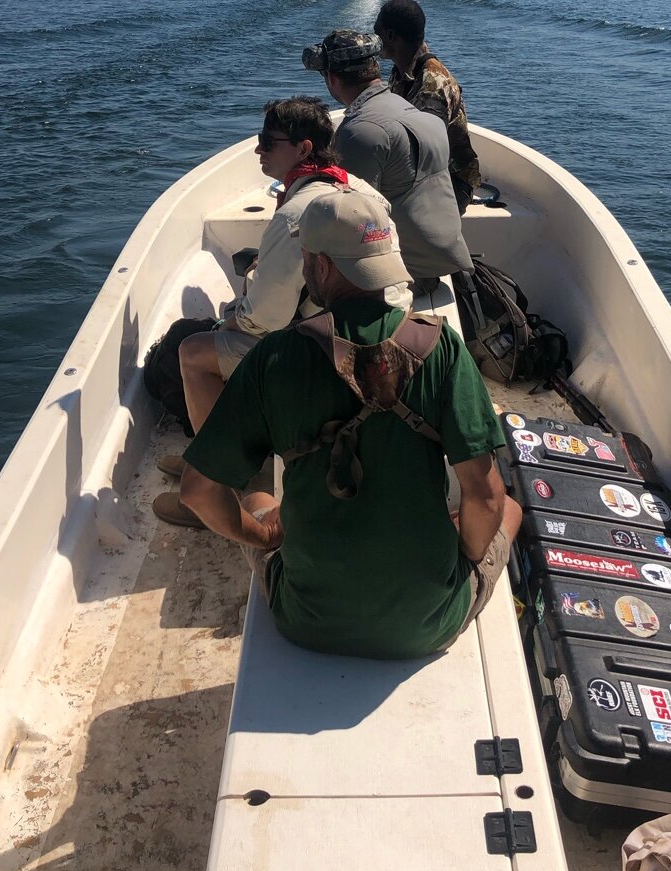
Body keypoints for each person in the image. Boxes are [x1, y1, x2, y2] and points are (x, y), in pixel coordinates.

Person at [178, 188, 522, 658]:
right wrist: (461, 557)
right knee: (509, 511)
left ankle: (271, 528)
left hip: (305, 620)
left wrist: (264, 539)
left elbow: (198, 491)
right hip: (425, 625)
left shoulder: (273, 357)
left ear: (320, 265)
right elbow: (485, 496)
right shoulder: (442, 349)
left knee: (259, 498)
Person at [152, 95, 411, 528]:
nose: (258, 150)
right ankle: (210, 458)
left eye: (267, 141)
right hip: (389, 332)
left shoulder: (295, 213)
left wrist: (228, 319)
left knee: (194, 353)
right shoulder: (362, 190)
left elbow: (265, 319)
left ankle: (213, 487)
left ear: (304, 149)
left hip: (331, 353)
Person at [303, 29, 472, 290]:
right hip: (442, 261)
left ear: (331, 78)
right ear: (374, 68)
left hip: (404, 275)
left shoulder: (360, 131)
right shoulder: (416, 113)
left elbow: (349, 218)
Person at [373, 0, 481, 213]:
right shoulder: (402, 72)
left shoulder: (432, 84)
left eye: (379, 33)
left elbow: (427, 153)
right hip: (421, 173)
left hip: (448, 182)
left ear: (391, 36)